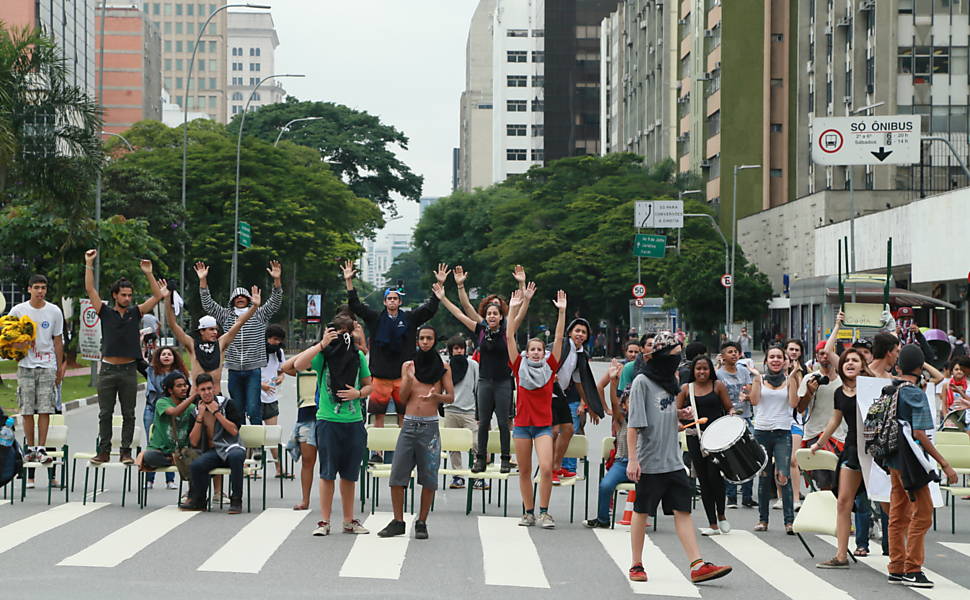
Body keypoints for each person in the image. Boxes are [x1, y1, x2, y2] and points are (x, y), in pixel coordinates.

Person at [626, 331, 733, 584]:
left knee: (683, 511)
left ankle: (697, 565)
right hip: (650, 461)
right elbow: (634, 426)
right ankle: (636, 564)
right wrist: (632, 459)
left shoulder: (672, 380)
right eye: (674, 354)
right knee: (642, 512)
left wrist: (679, 415)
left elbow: (665, 414)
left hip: (674, 460)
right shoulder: (642, 382)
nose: (678, 360)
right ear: (662, 355)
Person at [342, 260, 443, 442]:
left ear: (400, 301)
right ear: (384, 301)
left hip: (403, 378)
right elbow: (356, 306)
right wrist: (349, 282)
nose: (392, 301)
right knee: (377, 416)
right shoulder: (375, 319)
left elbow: (428, 310)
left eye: (395, 298)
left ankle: (403, 448)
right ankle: (377, 451)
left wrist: (439, 287)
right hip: (380, 377)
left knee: (404, 415)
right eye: (389, 298)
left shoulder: (410, 319)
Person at [435, 263, 523, 473]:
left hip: (503, 382)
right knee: (483, 422)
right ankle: (480, 459)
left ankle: (504, 459)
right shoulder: (481, 329)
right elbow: (462, 311)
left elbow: (518, 307)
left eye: (496, 313)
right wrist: (454, 291)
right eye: (489, 313)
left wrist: (520, 283)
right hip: (484, 382)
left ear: (501, 316)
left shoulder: (507, 331)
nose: (492, 316)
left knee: (503, 422)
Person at [884, 344, 958, 588]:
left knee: (898, 513)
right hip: (911, 463)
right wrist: (944, 464)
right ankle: (912, 568)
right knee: (923, 514)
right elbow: (920, 434)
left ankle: (895, 566)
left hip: (893, 460)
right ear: (919, 367)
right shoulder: (915, 394)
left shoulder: (891, 389)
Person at [292, 314, 372, 535]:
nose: (343, 337)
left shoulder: (358, 357)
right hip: (328, 420)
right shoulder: (324, 357)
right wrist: (322, 344)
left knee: (349, 475)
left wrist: (358, 393)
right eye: (339, 332)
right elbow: (299, 364)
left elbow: (369, 385)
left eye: (347, 332)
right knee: (327, 473)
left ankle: (349, 520)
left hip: (354, 421)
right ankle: (324, 522)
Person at [84, 250, 162, 465]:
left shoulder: (135, 312)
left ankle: (126, 451)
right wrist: (89, 263)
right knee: (105, 413)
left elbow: (157, 296)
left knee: (129, 413)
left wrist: (149, 273)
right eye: (123, 295)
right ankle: (104, 451)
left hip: (128, 370)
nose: (127, 298)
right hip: (108, 370)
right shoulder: (104, 311)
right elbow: (90, 289)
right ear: (115, 296)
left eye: (129, 295)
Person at [378, 324, 454, 540]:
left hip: (430, 426)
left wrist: (436, 397)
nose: (425, 342)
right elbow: (402, 398)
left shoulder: (444, 367)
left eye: (429, 338)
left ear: (434, 341)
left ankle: (422, 521)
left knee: (429, 476)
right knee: (397, 475)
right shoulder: (408, 366)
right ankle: (398, 520)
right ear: (417, 341)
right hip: (409, 424)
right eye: (422, 338)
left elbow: (451, 397)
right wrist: (409, 381)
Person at [812, 312, 875, 567]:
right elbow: (834, 421)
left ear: (862, 365)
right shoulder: (840, 392)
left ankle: (897, 553)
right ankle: (840, 555)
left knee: (884, 502)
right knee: (843, 501)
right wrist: (818, 443)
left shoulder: (873, 384)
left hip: (876, 449)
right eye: (846, 360)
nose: (850, 363)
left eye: (855, 360)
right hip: (852, 449)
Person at [506, 286, 566, 528]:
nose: (535, 353)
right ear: (526, 352)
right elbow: (509, 336)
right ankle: (528, 512)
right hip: (521, 426)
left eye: (539, 349)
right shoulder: (518, 366)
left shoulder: (550, 366)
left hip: (543, 426)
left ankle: (544, 512)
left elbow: (560, 338)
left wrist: (562, 313)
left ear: (544, 352)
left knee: (548, 469)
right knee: (523, 471)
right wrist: (512, 309)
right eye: (532, 349)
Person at [196, 260, 283, 425]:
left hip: (253, 369)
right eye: (237, 297)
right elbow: (208, 303)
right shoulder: (225, 315)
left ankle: (256, 446)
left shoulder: (258, 313)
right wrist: (203, 280)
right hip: (234, 369)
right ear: (232, 300)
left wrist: (277, 280)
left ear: (249, 299)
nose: (240, 298)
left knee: (253, 408)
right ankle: (240, 445)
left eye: (244, 296)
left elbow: (275, 302)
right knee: (238, 409)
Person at [8, 275, 66, 476]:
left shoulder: (54, 311)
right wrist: (19, 347)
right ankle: (30, 448)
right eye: (36, 288)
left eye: (43, 288)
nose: (40, 291)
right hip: (26, 364)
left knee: (45, 407)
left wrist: (59, 368)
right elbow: (8, 336)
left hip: (47, 364)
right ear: (29, 289)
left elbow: (58, 341)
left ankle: (41, 448)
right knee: (26, 408)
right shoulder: (18, 310)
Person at [161, 281, 258, 394]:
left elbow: (239, 323)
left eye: (216, 329)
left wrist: (254, 307)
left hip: (216, 396)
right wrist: (167, 299)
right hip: (196, 397)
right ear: (202, 331)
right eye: (211, 329)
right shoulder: (192, 343)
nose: (215, 332)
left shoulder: (221, 343)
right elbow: (172, 324)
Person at [676, 355, 733, 535]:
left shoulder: (718, 386)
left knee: (715, 477)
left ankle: (721, 514)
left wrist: (732, 413)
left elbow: (728, 407)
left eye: (705, 368)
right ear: (693, 371)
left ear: (711, 370)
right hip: (696, 438)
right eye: (698, 368)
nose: (702, 372)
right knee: (704, 479)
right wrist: (679, 419)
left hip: (717, 439)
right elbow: (675, 413)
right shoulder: (686, 389)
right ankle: (712, 524)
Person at [180, 373, 247, 514]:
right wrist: (200, 417)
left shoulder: (227, 404)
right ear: (197, 391)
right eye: (203, 389)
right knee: (197, 465)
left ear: (215, 388)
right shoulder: (195, 410)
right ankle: (199, 501)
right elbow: (193, 441)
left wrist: (216, 412)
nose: (207, 392)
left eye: (209, 388)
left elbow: (234, 431)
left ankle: (236, 501)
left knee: (236, 456)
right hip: (213, 451)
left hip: (231, 447)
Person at [585, 358, 635, 529]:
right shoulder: (621, 419)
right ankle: (603, 519)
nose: (632, 405)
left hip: (644, 464)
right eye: (629, 402)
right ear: (625, 405)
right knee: (606, 485)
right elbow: (614, 403)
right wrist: (613, 381)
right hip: (623, 463)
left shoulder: (647, 421)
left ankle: (642, 518)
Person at [553, 316, 602, 482]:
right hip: (548, 394)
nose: (580, 334)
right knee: (553, 431)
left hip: (561, 395)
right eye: (577, 331)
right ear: (570, 333)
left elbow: (580, 382)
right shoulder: (563, 346)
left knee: (568, 430)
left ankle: (559, 467)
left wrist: (589, 406)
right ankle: (551, 467)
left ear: (587, 337)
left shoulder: (581, 354)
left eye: (584, 332)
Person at [752, 345, 795, 534]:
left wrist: (793, 379)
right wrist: (754, 381)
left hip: (782, 432)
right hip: (762, 431)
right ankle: (763, 520)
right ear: (766, 361)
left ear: (785, 361)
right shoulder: (758, 379)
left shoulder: (790, 380)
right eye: (772, 357)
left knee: (783, 475)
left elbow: (794, 404)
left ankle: (789, 521)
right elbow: (753, 401)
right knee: (763, 476)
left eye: (779, 357)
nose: (776, 360)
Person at [793, 339, 842, 498]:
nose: (825, 357)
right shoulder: (810, 378)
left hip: (840, 436)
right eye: (822, 354)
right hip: (815, 434)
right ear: (816, 357)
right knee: (823, 483)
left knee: (840, 482)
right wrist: (810, 392)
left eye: (828, 353)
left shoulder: (845, 379)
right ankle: (828, 519)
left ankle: (838, 519)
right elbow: (800, 409)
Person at [717, 341, 759, 508]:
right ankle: (731, 496)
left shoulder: (743, 371)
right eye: (730, 352)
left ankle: (747, 496)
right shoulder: (719, 374)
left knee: (750, 455)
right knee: (730, 457)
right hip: (728, 419)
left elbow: (749, 390)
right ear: (723, 356)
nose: (734, 354)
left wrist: (748, 395)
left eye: (736, 351)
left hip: (746, 417)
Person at [143, 346, 188, 489]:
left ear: (174, 357)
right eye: (163, 354)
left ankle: (170, 480)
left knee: (173, 441)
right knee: (153, 443)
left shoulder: (179, 374)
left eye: (169, 354)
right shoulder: (151, 371)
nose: (166, 356)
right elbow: (152, 391)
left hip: (174, 409)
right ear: (158, 357)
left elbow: (185, 392)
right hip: (152, 409)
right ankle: (149, 479)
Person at [140, 372, 196, 487]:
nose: (184, 388)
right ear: (170, 390)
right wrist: (193, 397)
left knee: (200, 459)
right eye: (179, 386)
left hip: (182, 451)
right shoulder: (162, 402)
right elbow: (174, 413)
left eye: (185, 385)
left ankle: (193, 493)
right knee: (149, 456)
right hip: (160, 451)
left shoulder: (191, 408)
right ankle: (174, 460)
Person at [443, 335, 478, 489]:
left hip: (470, 410)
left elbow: (478, 388)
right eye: (456, 348)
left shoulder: (473, 365)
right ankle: (458, 476)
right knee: (453, 446)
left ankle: (479, 476)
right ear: (451, 351)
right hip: (451, 410)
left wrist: (480, 412)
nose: (459, 351)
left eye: (461, 348)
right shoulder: (446, 366)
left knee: (477, 444)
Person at [260, 324, 286, 477]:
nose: (276, 343)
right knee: (254, 433)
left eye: (279, 340)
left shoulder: (279, 353)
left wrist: (280, 378)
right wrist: (260, 385)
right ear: (267, 338)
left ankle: (279, 468)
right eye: (274, 339)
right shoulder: (257, 351)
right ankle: (248, 466)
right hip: (255, 396)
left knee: (272, 434)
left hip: (271, 397)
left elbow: (281, 371)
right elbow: (250, 373)